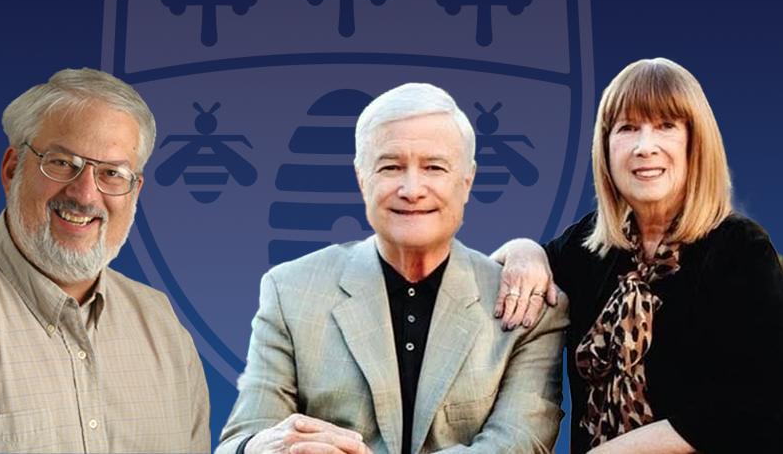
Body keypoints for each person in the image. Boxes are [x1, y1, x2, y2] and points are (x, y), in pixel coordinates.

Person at [217, 83, 570, 454]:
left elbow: (520, 444)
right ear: (361, 178)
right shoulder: (290, 291)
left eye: (434, 167)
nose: (412, 189)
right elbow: (240, 439)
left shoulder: (527, 307)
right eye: (391, 167)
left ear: (467, 181)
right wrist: (265, 448)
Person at [492, 58, 783, 454]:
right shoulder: (589, 245)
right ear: (606, 147)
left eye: (666, 126)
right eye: (628, 128)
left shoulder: (740, 250)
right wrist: (523, 250)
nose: (645, 147)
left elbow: (761, 402)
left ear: (694, 144)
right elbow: (514, 271)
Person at [0, 68, 210, 453]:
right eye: (62, 163)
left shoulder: (162, 326)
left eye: (112, 173)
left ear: (134, 191)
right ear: (13, 170)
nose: (85, 195)